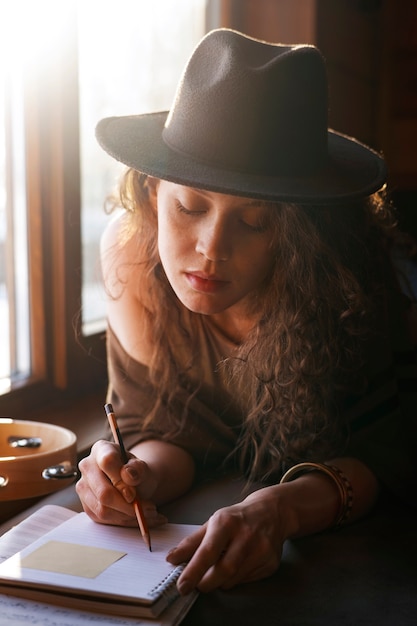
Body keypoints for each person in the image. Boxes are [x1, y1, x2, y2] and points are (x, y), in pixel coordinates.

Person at [76, 29, 417, 595]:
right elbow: (169, 430)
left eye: (255, 221)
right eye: (188, 206)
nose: (211, 247)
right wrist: (135, 475)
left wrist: (279, 510)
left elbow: (378, 461)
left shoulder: (343, 280)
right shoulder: (130, 258)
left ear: (298, 231)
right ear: (152, 193)